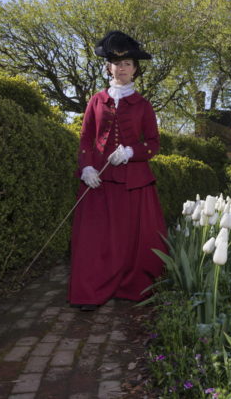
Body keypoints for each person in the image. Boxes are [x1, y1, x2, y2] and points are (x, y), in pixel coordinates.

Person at [68, 30, 167, 310]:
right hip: (98, 180)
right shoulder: (96, 101)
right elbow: (86, 138)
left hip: (134, 182)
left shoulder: (144, 105)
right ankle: (90, 292)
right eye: (116, 63)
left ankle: (130, 287)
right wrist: (86, 166)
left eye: (127, 64)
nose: (121, 68)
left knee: (132, 240)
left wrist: (131, 152)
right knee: (95, 239)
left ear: (135, 69)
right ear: (107, 67)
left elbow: (154, 143)